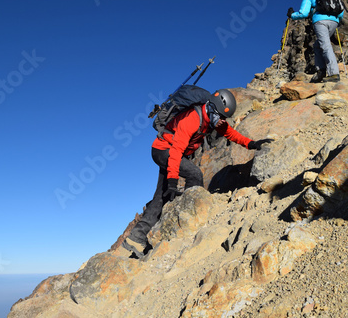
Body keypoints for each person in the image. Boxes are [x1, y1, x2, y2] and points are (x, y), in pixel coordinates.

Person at [116, 89, 273, 258]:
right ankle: (189, 222)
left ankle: (135, 238)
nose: (221, 122)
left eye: (223, 118)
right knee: (194, 174)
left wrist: (251, 144)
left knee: (161, 195)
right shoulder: (192, 118)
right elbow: (176, 152)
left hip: (170, 151)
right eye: (220, 117)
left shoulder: (213, 119)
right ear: (212, 108)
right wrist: (172, 181)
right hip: (163, 150)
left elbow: (230, 133)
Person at [287, 0, 344, 83]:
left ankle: (334, 74)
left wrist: (292, 15)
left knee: (325, 45)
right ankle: (321, 71)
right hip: (334, 21)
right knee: (317, 45)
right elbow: (341, 13)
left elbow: (304, 14)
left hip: (320, 21)